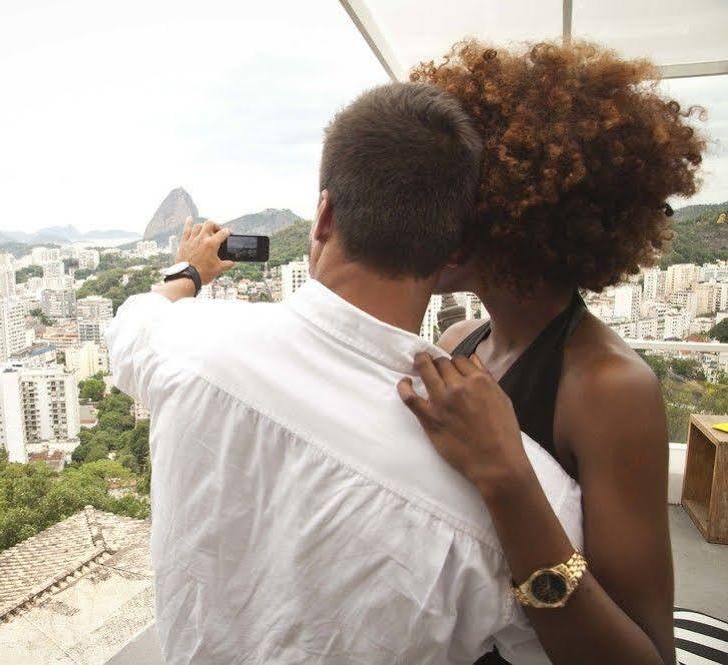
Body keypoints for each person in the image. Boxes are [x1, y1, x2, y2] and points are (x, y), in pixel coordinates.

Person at [107, 82, 582, 664]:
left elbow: (130, 324)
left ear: (325, 215)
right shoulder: (527, 499)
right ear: (455, 254)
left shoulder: (189, 346)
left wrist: (192, 272)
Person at [399, 40, 706, 665]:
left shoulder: (608, 387)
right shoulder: (461, 341)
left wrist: (506, 476)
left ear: (514, 216)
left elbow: (645, 656)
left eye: (450, 196)